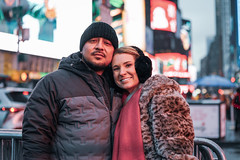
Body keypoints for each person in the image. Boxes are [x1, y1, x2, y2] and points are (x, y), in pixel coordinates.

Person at [22, 22, 123, 160]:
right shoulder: (52, 83)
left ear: (114, 52)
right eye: (93, 41)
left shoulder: (120, 85)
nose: (100, 46)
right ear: (82, 48)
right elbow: (36, 137)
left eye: (107, 43)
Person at [110, 46, 196, 160]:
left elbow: (177, 150)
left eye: (128, 65)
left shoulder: (162, 93)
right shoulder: (121, 103)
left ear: (142, 67)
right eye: (116, 68)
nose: (122, 72)